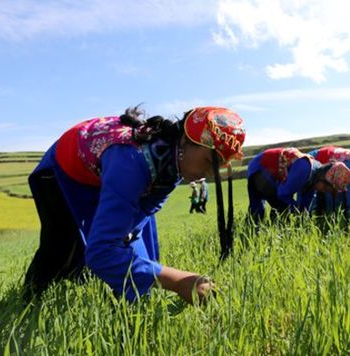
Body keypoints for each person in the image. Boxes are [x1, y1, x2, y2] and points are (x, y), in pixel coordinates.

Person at [23, 106, 245, 304]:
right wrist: (178, 282)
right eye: (209, 162)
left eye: (219, 166)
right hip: (63, 170)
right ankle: (28, 301)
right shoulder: (131, 162)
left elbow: (145, 210)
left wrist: (126, 240)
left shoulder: (177, 163)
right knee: (61, 246)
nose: (209, 174)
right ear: (185, 141)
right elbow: (101, 252)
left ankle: (127, 310)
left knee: (134, 257)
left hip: (105, 173)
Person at [246, 147, 350, 225]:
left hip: (267, 171)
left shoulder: (314, 176)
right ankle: (265, 235)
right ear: (324, 178)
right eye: (325, 188)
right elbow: (283, 194)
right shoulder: (305, 170)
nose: (323, 191)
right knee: (281, 208)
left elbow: (305, 206)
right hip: (259, 169)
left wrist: (303, 219)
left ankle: (261, 230)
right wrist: (296, 209)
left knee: (269, 210)